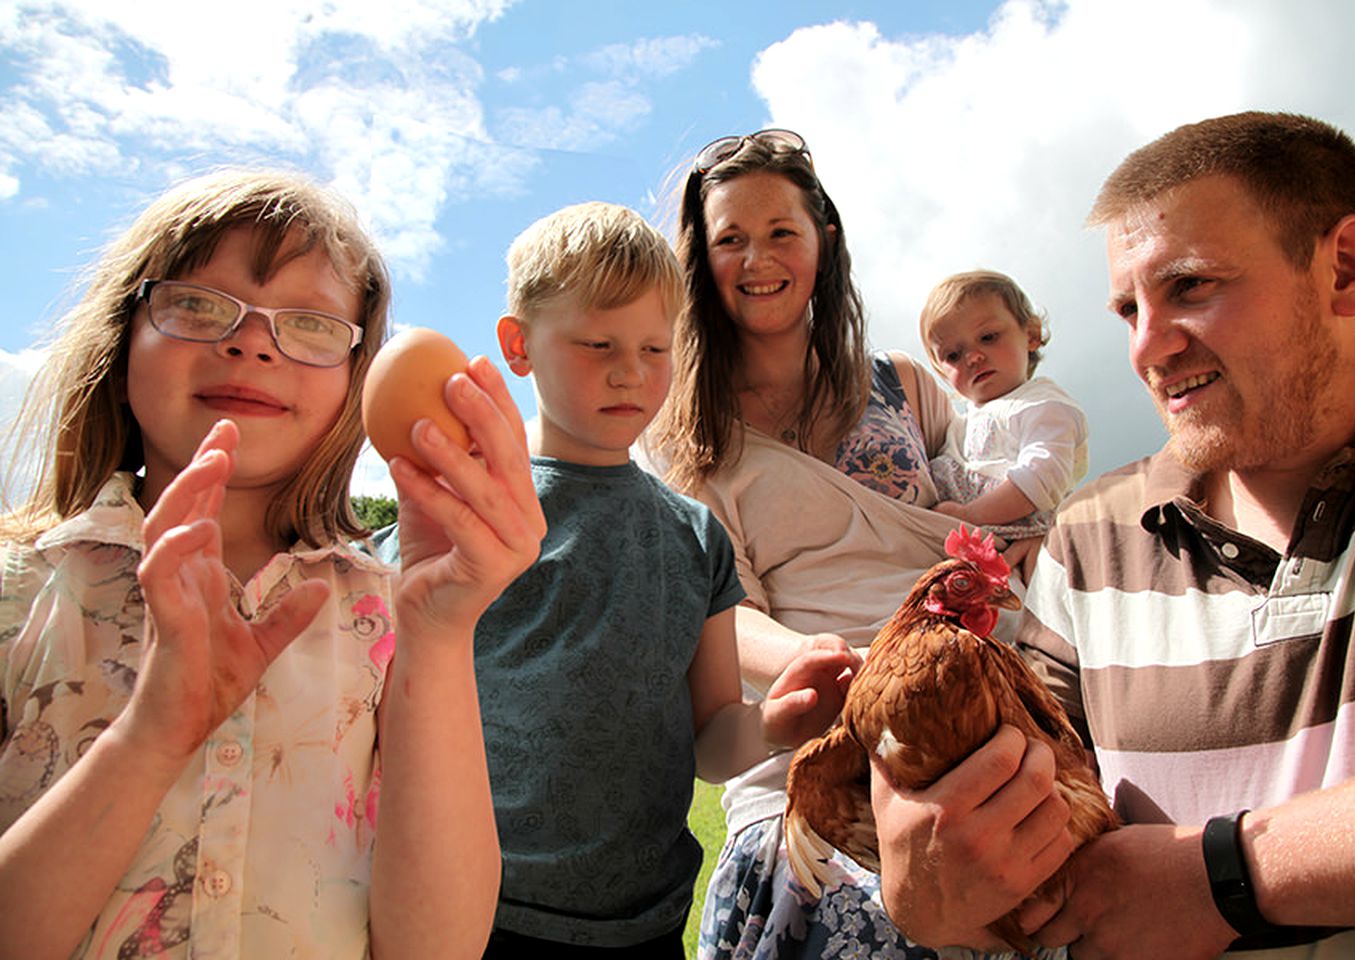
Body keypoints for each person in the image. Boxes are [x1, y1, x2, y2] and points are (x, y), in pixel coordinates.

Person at [869, 111, 1355, 959]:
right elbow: (1010, 833)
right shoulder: (1085, 544)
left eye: (1191, 287)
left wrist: (1225, 878)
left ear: (1347, 270)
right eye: (1129, 306)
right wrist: (929, 875)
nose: (1147, 345)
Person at [0, 169, 546, 960]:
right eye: (196, 303)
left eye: (312, 323)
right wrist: (151, 737)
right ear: (122, 343)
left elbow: (438, 948)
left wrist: (440, 629)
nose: (252, 339)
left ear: (358, 384)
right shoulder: (22, 591)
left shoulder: (386, 615)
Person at [378, 200, 853, 958]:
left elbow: (708, 739)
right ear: (518, 345)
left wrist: (775, 727)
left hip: (646, 927)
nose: (630, 372)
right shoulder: (468, 512)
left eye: (655, 349)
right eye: (596, 343)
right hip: (477, 917)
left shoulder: (697, 539)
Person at [647, 130, 1034, 960]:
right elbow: (727, 613)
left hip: (980, 692)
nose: (759, 257)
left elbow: (975, 508)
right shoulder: (686, 436)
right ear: (700, 262)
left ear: (823, 238)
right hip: (823, 728)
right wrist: (845, 667)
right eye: (730, 239)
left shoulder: (905, 381)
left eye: (782, 230)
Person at [920, 269, 1088, 547]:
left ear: (1031, 335)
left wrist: (970, 515)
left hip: (1022, 536)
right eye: (953, 355)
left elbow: (1042, 477)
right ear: (941, 372)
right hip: (963, 543)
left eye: (988, 337)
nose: (973, 357)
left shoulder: (1042, 404)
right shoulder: (957, 425)